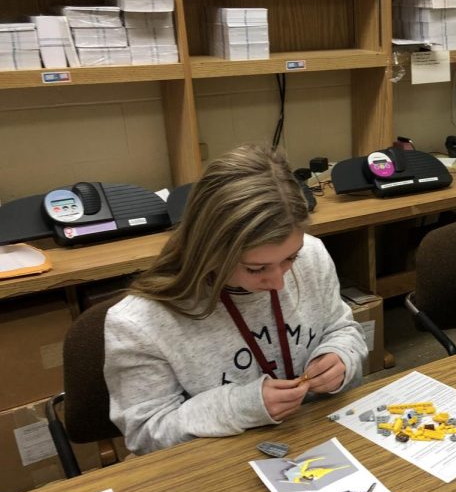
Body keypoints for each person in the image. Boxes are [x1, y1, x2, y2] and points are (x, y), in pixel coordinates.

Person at [105, 145, 368, 455]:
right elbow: (146, 434)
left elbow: (342, 329)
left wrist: (340, 356)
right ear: (211, 251)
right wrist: (241, 406)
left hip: (311, 437)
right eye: (256, 269)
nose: (279, 281)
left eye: (289, 259)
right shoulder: (138, 323)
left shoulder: (311, 254)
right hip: (214, 464)